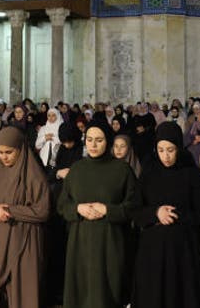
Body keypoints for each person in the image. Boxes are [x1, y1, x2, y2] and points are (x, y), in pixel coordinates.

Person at [58, 123, 141, 308]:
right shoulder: (77, 169)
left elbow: (135, 206)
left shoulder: (122, 170)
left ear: (108, 142)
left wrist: (108, 210)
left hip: (111, 243)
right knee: (81, 292)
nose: (93, 145)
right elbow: (62, 205)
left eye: (99, 140)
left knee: (108, 294)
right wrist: (78, 209)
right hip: (80, 244)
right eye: (89, 140)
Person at [131, 122, 200, 308]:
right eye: (161, 150)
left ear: (178, 147)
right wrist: (156, 212)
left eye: (170, 150)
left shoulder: (193, 175)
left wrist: (177, 215)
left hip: (183, 253)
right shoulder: (148, 175)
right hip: (153, 254)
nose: (166, 156)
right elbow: (135, 210)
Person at [0, 126, 51, 308]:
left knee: (23, 296)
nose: (4, 157)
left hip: (23, 244)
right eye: (0, 152)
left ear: (21, 150)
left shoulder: (34, 176)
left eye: (9, 152)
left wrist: (9, 211)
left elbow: (43, 210)